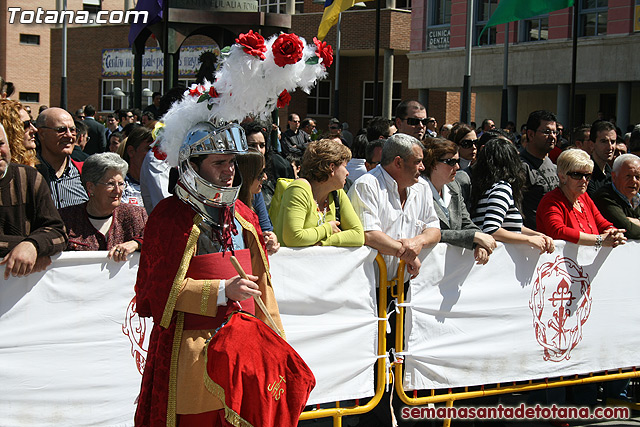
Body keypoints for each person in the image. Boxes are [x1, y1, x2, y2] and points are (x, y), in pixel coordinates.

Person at [135, 121, 284, 426]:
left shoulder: (245, 215)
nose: (230, 170)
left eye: (232, 162)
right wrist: (220, 290)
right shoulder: (169, 216)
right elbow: (157, 291)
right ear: (193, 165)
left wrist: (277, 341)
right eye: (219, 162)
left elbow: (264, 291)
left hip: (245, 350)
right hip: (192, 353)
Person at [349, 133, 441, 279]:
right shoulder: (366, 185)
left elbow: (434, 228)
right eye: (417, 162)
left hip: (405, 286)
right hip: (369, 288)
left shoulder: (422, 186)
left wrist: (417, 242)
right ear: (398, 162)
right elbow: (368, 234)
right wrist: (408, 254)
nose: (423, 167)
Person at [0, 123, 67, 279]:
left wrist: (33, 246)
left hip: (23, 293)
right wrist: (26, 247)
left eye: (1, 143)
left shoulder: (29, 178)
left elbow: (58, 232)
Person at [274, 138, 364, 247]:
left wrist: (325, 242)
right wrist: (328, 228)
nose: (347, 173)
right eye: (345, 167)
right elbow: (293, 237)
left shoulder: (337, 193)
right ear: (331, 167)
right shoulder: (299, 189)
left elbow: (358, 235)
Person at [58, 153, 147, 261]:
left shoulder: (136, 214)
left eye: (121, 184)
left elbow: (158, 239)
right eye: (110, 184)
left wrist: (137, 243)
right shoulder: (66, 218)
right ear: (91, 187)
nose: (118, 191)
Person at [471, 139, 554, 254]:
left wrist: (538, 235)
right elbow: (492, 230)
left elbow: (513, 227)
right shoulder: (501, 188)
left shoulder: (487, 188)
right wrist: (529, 239)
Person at [422, 138, 496, 264]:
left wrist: (479, 241)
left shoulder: (454, 186)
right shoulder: (418, 190)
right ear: (433, 164)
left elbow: (466, 222)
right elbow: (428, 233)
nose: (457, 166)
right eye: (451, 162)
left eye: (457, 161)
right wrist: (473, 237)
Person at [536, 148, 626, 247]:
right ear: (562, 176)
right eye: (577, 175)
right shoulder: (551, 201)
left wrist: (613, 232)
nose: (584, 180)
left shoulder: (583, 197)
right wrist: (599, 240)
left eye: (587, 176)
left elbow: (602, 223)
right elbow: (557, 231)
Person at [35, 107, 89, 209]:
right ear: (42, 133)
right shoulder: (28, 175)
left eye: (73, 130)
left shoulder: (85, 174)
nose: (69, 135)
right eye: (61, 130)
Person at [520, 110, 560, 230]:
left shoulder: (552, 164)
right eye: (547, 132)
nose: (552, 136)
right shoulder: (521, 166)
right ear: (531, 134)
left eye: (555, 132)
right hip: (533, 240)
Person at [236, 149, 280, 255]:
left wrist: (271, 239)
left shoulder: (255, 193)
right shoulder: (231, 205)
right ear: (246, 176)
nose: (265, 177)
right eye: (260, 174)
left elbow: (266, 229)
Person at [593, 153, 640, 239]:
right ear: (614, 177)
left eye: (637, 177)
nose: (634, 181)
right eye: (628, 176)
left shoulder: (637, 197)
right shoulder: (605, 197)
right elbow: (628, 230)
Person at [121, 125, 153, 206]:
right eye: (149, 149)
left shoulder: (161, 184)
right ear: (131, 151)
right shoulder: (119, 186)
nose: (154, 155)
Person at [0, 99, 37, 167]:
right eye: (26, 125)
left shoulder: (34, 165)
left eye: (31, 122)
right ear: (9, 130)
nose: (34, 129)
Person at [587, 120, 617, 196]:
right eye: (604, 141)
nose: (610, 147)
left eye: (613, 142)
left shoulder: (612, 173)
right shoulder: (585, 174)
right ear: (591, 144)